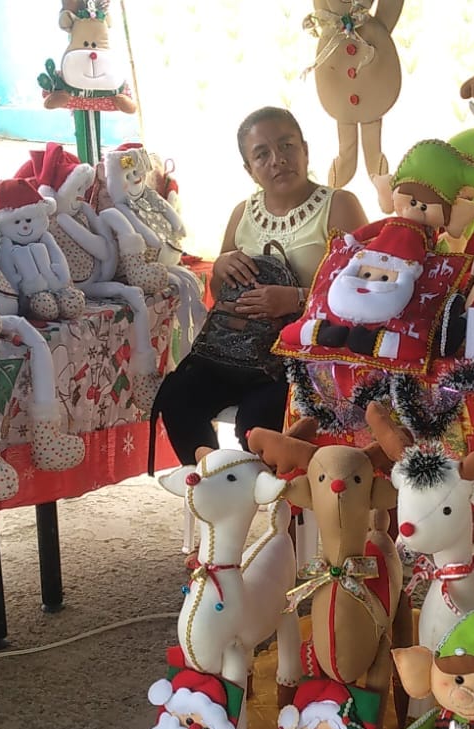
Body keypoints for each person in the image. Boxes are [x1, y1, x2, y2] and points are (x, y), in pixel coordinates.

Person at [153, 107, 366, 466]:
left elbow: (367, 291)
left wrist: (297, 299)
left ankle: (262, 489)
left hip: (302, 358)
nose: (277, 159)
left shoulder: (339, 205)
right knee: (177, 397)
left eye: (287, 146)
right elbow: (221, 291)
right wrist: (222, 265)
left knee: (257, 423)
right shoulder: (242, 213)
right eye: (262, 154)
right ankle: (212, 481)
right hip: (237, 352)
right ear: (249, 169)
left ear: (305, 150)